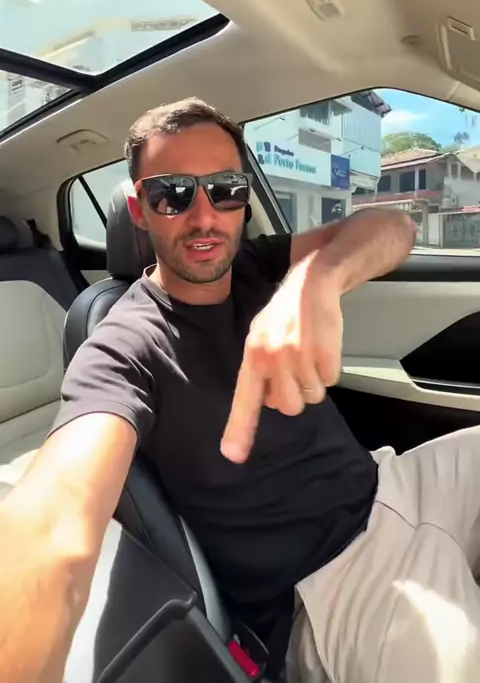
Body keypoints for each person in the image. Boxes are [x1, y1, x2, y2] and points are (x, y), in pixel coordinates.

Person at [1, 98, 480, 683]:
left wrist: (317, 279)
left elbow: (393, 228)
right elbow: (53, 530)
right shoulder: (121, 346)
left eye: (225, 190)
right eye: (173, 194)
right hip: (331, 586)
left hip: (395, 485)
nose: (204, 216)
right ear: (139, 210)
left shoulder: (257, 264)